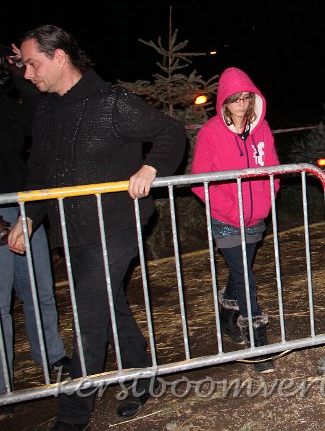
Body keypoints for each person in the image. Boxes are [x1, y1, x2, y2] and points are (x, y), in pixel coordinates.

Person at [6, 25, 186, 431]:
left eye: (33, 64)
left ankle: (71, 416)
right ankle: (142, 371)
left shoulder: (111, 102)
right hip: (72, 234)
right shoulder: (48, 111)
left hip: (116, 227)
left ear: (59, 57)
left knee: (88, 321)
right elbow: (41, 174)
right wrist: (29, 217)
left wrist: (150, 167)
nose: (29, 74)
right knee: (108, 304)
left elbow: (169, 132)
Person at [191, 66, 280, 373]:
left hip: (257, 218)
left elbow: (273, 169)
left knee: (239, 273)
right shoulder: (210, 133)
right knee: (245, 277)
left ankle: (227, 314)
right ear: (224, 103)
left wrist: (267, 201)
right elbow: (198, 180)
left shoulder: (262, 128)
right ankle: (256, 342)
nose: (242, 105)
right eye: (235, 99)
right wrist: (233, 209)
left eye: (246, 98)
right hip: (227, 220)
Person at [1, 44, 70, 419]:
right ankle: (2, 385)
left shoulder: (8, 104)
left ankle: (54, 360)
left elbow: (42, 113)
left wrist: (16, 74)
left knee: (41, 291)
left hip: (24, 205)